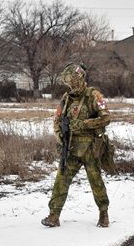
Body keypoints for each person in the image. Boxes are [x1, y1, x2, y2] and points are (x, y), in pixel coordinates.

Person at [41, 63, 111, 228]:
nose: (72, 85)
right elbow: (57, 120)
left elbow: (106, 118)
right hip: (71, 147)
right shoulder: (66, 99)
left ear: (80, 79)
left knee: (96, 181)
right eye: (69, 82)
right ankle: (54, 215)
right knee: (61, 180)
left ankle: (103, 213)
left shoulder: (93, 96)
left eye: (74, 81)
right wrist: (59, 135)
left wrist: (84, 124)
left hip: (90, 148)